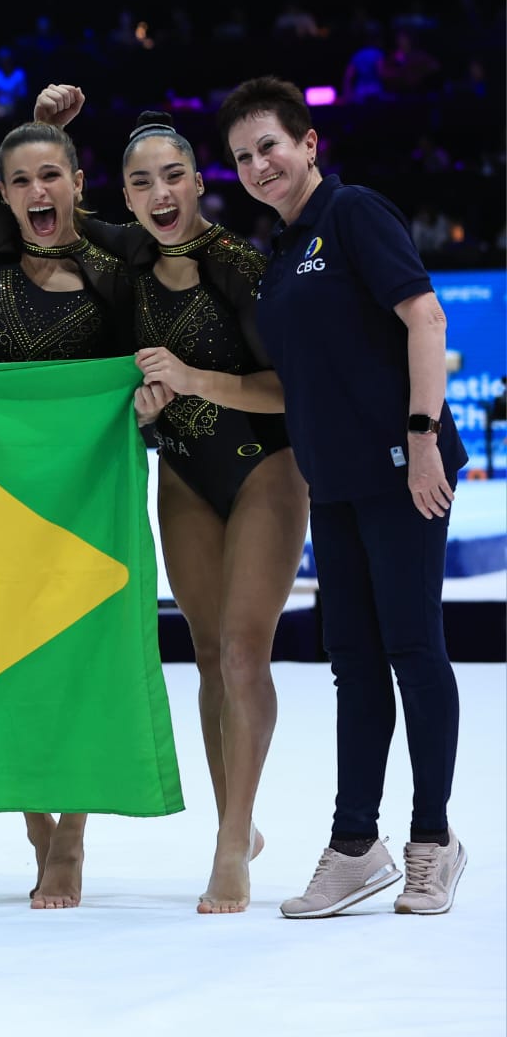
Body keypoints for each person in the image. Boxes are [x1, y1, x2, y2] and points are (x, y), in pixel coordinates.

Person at [217, 75, 468, 918]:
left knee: (414, 652)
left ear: (308, 143)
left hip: (403, 470)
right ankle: (357, 845)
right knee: (355, 666)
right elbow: (292, 386)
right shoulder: (281, 256)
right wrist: (192, 381)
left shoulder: (353, 212)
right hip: (334, 484)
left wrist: (423, 438)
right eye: (242, 158)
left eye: (269, 147)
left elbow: (426, 319)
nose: (259, 166)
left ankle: (432, 841)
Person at [0, 0, 132, 909]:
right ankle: (36, 826)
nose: (37, 189)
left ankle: (73, 839)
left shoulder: (113, 264)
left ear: (79, 184)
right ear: (1, 196)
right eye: (21, 180)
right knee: (3, 659)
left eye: (53, 175)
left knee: (78, 663)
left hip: (86, 496)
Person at [105, 105, 310, 913]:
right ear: (125, 196)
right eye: (142, 183)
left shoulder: (241, 267)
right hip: (186, 472)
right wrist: (145, 411)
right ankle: (237, 822)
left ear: (198, 181)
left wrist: (193, 381)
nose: (160, 194)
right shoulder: (125, 268)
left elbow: (289, 390)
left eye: (173, 177)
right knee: (205, 651)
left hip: (267, 468)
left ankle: (230, 845)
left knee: (243, 653)